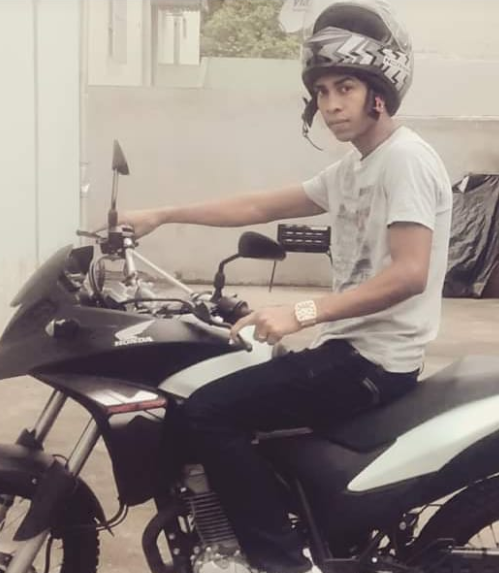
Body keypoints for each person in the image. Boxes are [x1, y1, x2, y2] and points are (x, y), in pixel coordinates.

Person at [115, 1, 452, 571]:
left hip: (372, 362)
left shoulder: (405, 161)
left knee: (208, 411)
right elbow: (258, 205)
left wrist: (302, 312)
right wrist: (162, 214)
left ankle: (281, 562)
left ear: (379, 91)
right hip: (347, 350)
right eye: (321, 91)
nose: (331, 104)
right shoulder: (354, 167)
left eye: (344, 87)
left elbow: (409, 273)